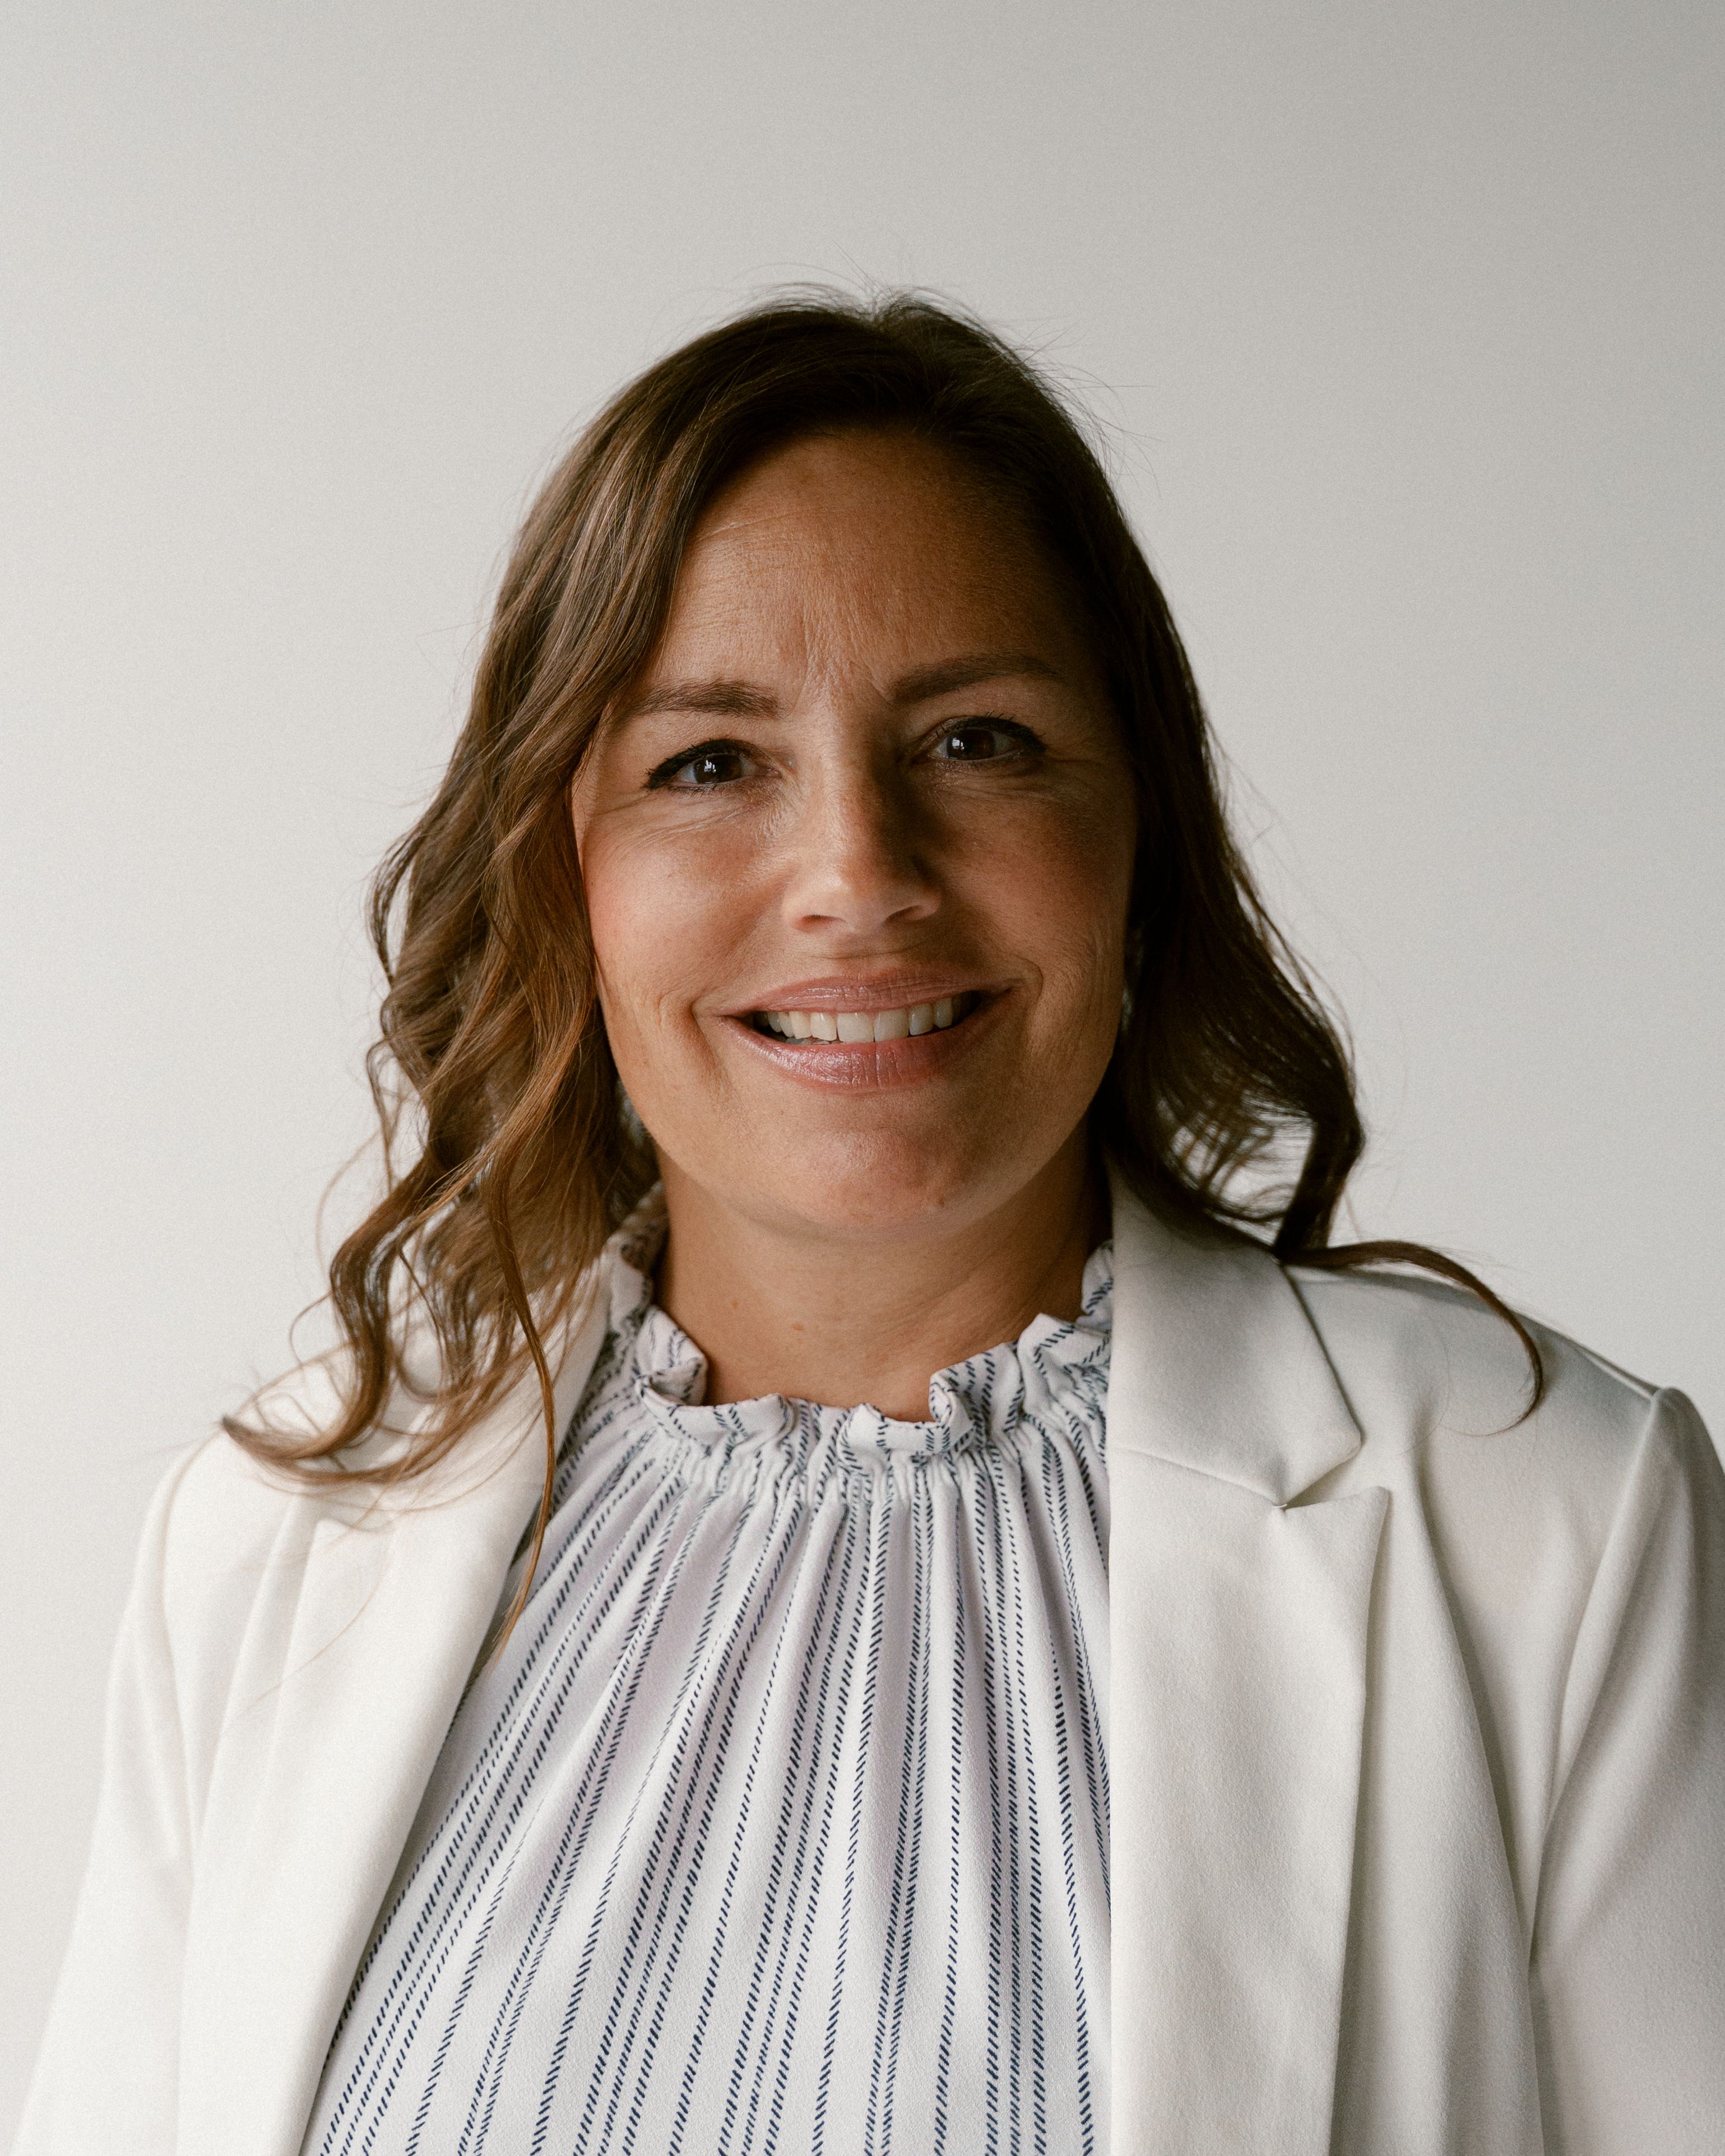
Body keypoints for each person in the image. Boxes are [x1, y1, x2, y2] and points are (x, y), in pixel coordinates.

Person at [18, 294, 1724, 2156]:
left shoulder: (1552, 1517)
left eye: (979, 741)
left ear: (1139, 831)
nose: (856, 875)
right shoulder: (268, 1543)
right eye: (708, 762)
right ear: (558, 873)